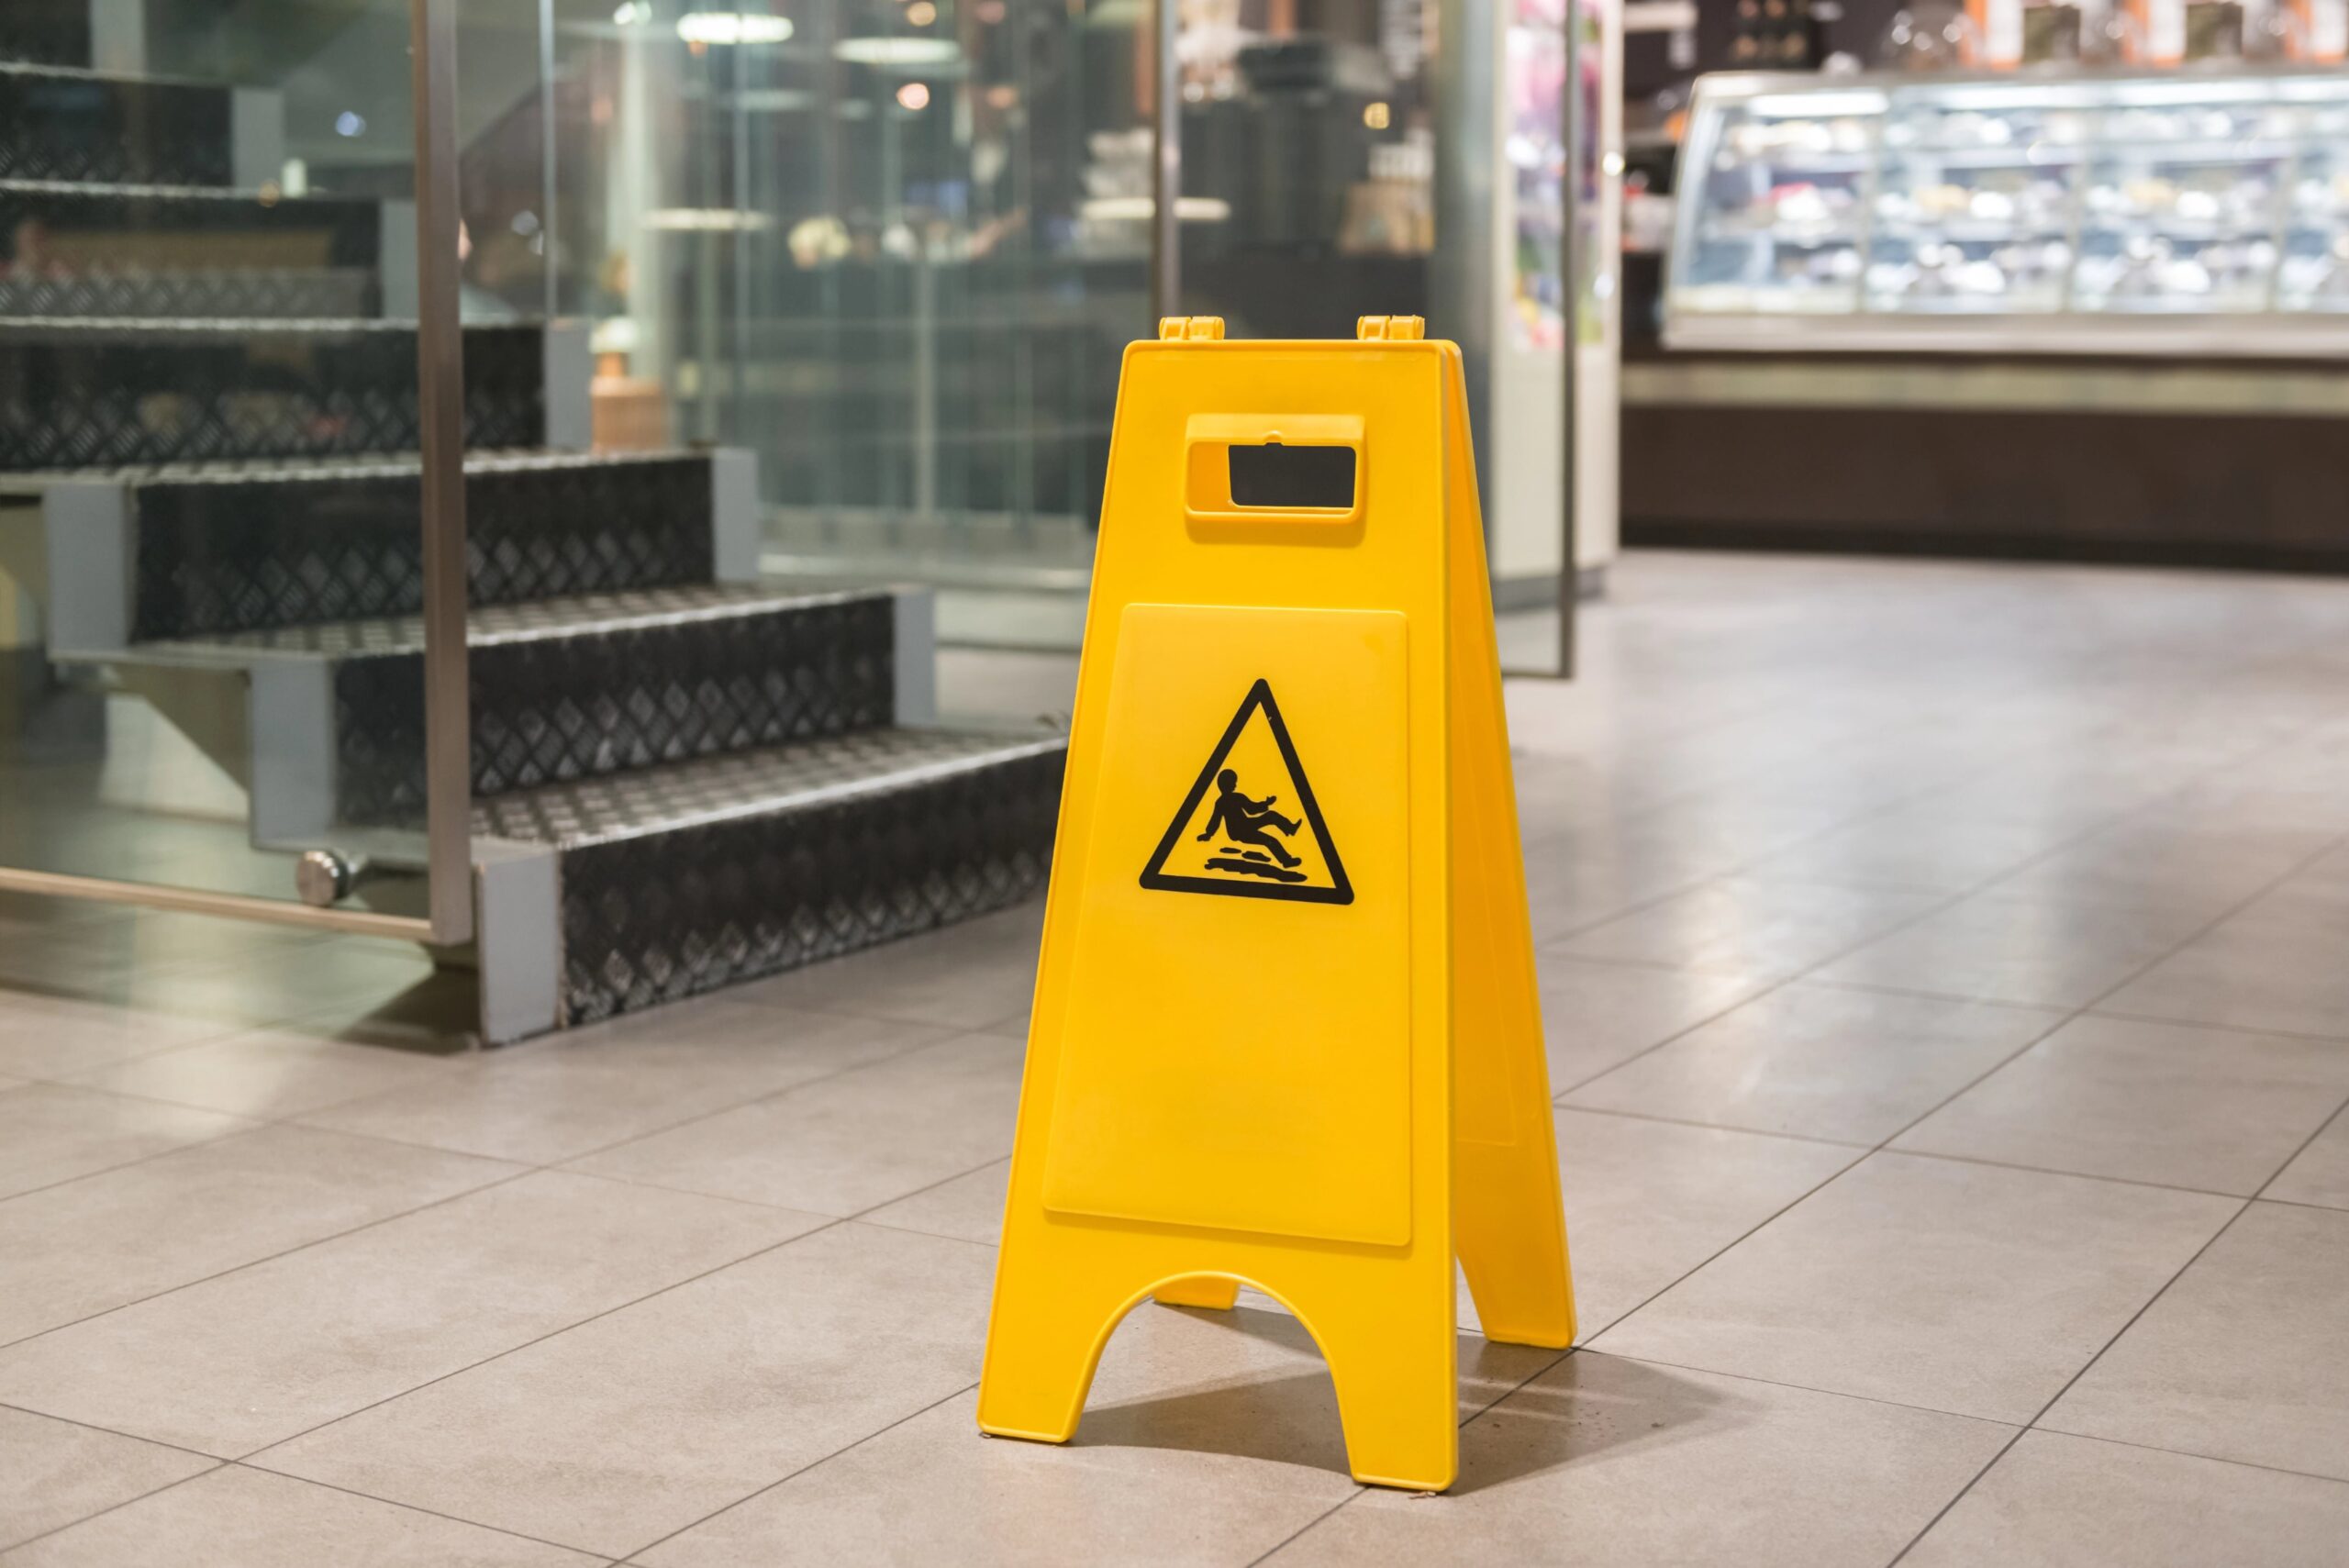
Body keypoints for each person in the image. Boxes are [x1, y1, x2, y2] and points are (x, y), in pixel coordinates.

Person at [1197, 768, 1303, 867]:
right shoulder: (1229, 800)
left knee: (1271, 816)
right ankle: (1286, 861)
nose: (1235, 784)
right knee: (1269, 840)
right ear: (1227, 784)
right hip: (1240, 831)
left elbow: (1251, 809)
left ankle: (1290, 828)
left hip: (1245, 825)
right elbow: (1216, 820)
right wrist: (1208, 833)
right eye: (1233, 782)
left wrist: (1266, 803)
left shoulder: (1228, 800)